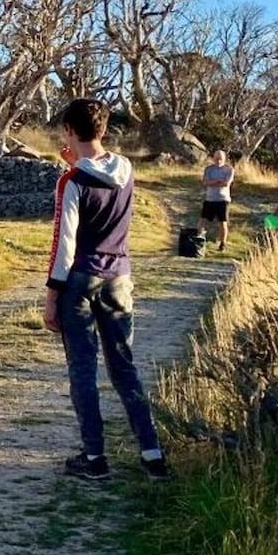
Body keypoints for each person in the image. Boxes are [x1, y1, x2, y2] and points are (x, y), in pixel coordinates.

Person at [44, 98, 167, 482]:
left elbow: (63, 244)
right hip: (119, 277)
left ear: (68, 130)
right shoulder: (127, 168)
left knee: (83, 368)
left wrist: (52, 295)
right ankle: (152, 453)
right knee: (123, 366)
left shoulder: (71, 182)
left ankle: (94, 456)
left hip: (80, 279)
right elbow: (103, 176)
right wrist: (76, 162)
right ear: (104, 129)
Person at [200, 147, 235, 251]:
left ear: (224, 159)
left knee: (223, 222)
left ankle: (223, 244)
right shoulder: (209, 169)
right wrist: (218, 181)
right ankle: (200, 240)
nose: (218, 160)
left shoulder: (229, 169)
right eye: (216, 158)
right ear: (213, 158)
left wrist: (213, 182)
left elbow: (226, 183)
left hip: (223, 200)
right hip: (210, 199)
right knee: (202, 221)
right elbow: (205, 182)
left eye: (220, 158)